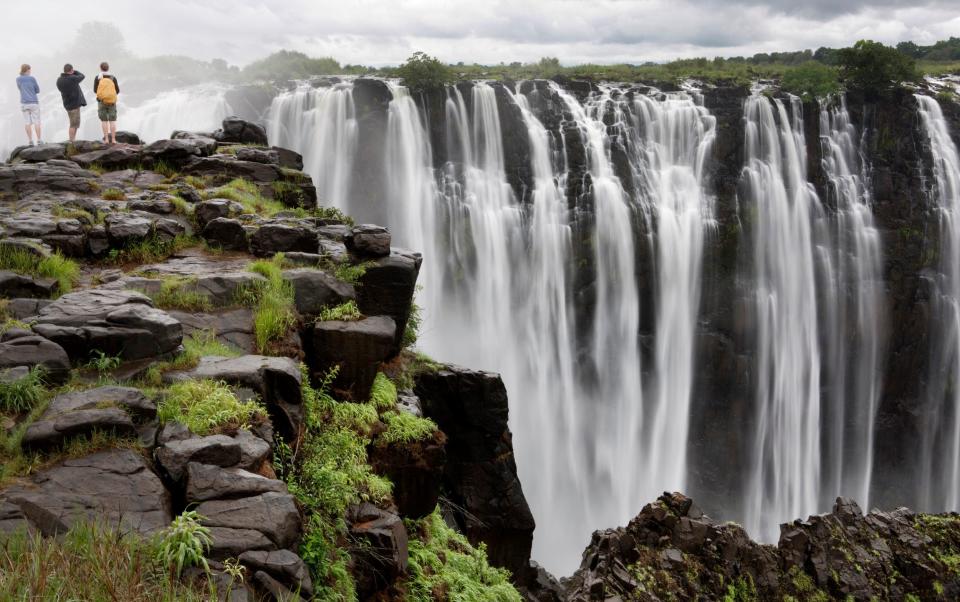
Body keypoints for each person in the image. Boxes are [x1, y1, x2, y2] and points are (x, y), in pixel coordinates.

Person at [56, 64, 85, 143]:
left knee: (74, 124)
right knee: (73, 124)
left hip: (67, 104)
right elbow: (82, 76)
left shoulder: (59, 80)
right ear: (71, 70)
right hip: (74, 104)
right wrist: (74, 71)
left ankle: (73, 140)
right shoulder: (72, 78)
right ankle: (71, 141)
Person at [16, 64, 42, 146]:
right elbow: (37, 90)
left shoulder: (18, 79)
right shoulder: (32, 79)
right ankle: (39, 140)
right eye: (30, 70)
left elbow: (20, 89)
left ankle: (30, 141)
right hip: (33, 102)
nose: (30, 71)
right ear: (27, 70)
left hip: (24, 103)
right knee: (36, 122)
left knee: (27, 122)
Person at [93, 62, 119, 144]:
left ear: (100, 68)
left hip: (101, 101)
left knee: (104, 120)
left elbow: (95, 90)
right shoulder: (112, 77)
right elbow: (117, 90)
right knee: (112, 120)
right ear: (108, 68)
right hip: (112, 101)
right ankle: (114, 139)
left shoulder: (98, 77)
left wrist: (103, 95)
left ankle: (107, 140)